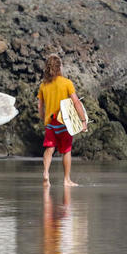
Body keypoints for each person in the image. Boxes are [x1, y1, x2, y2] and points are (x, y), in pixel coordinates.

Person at [37, 54, 87, 187]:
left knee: (49, 148)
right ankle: (66, 180)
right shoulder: (66, 83)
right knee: (66, 150)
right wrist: (83, 121)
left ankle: (46, 173)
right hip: (64, 122)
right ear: (60, 67)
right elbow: (76, 102)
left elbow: (40, 106)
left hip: (50, 123)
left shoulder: (43, 85)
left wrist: (43, 118)